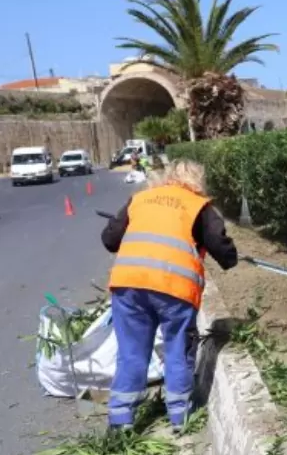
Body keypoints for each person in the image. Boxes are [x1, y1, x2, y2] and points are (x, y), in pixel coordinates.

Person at [101, 159, 239, 431]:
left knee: (131, 354)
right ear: (198, 182)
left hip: (128, 286)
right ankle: (179, 417)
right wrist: (230, 256)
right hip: (174, 289)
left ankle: (120, 422)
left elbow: (110, 239)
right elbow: (221, 247)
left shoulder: (140, 199)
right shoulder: (199, 206)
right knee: (177, 349)